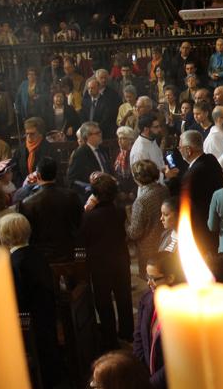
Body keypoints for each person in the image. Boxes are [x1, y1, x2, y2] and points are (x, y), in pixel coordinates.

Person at [0, 213, 62, 388]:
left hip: (29, 321)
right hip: (46, 311)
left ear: (5, 237)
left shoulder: (13, 262)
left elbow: (18, 297)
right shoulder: (37, 253)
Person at [81, 174, 133, 349]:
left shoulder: (89, 217)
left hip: (99, 263)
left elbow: (84, 238)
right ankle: (127, 331)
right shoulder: (119, 211)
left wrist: (87, 209)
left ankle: (109, 337)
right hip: (120, 258)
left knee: (103, 301)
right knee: (123, 296)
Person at [134, 251, 185, 389]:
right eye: (147, 276)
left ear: (170, 278)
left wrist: (152, 383)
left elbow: (178, 360)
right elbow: (139, 335)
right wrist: (140, 371)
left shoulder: (183, 311)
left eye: (153, 278)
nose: (148, 282)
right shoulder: (147, 298)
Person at [176, 130, 223, 252]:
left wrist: (171, 181)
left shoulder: (192, 174)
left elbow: (184, 201)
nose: (179, 150)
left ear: (188, 150)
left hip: (199, 227)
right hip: (214, 221)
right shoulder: (211, 160)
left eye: (180, 147)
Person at [127, 159, 170, 276]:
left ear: (137, 178)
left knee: (151, 283)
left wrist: (126, 223)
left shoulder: (141, 201)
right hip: (166, 242)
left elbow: (135, 232)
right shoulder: (164, 190)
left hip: (148, 249)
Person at [12, 116, 55, 188]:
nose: (28, 136)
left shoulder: (49, 149)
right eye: (27, 133)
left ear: (40, 134)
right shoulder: (21, 149)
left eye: (32, 133)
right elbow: (14, 170)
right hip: (24, 186)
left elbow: (53, 172)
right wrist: (23, 185)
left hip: (43, 187)